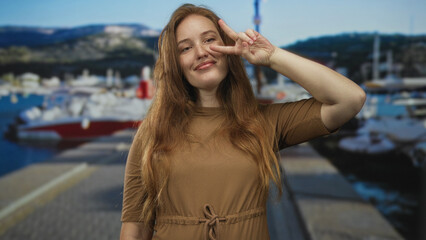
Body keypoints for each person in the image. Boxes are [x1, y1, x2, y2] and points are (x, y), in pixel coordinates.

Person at [120, 3, 366, 240]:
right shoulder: (153, 132)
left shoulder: (263, 121)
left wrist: (272, 57)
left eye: (209, 39)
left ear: (228, 47)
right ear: (176, 65)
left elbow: (350, 99)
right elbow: (134, 230)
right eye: (185, 48)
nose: (201, 52)